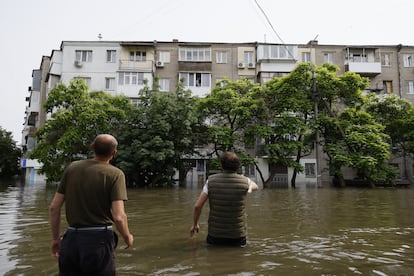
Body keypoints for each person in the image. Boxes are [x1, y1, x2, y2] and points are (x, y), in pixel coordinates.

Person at [49, 134, 134, 275]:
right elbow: (119, 216)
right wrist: (127, 237)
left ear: (92, 147)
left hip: (70, 240)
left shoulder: (72, 168)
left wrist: (55, 239)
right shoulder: (116, 174)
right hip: (99, 242)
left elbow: (54, 207)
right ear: (114, 153)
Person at [190, 151, 259, 247]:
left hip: (215, 235)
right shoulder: (245, 182)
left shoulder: (211, 181)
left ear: (221, 165)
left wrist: (195, 224)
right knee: (239, 260)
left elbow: (198, 206)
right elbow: (256, 186)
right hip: (238, 235)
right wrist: (246, 181)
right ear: (238, 166)